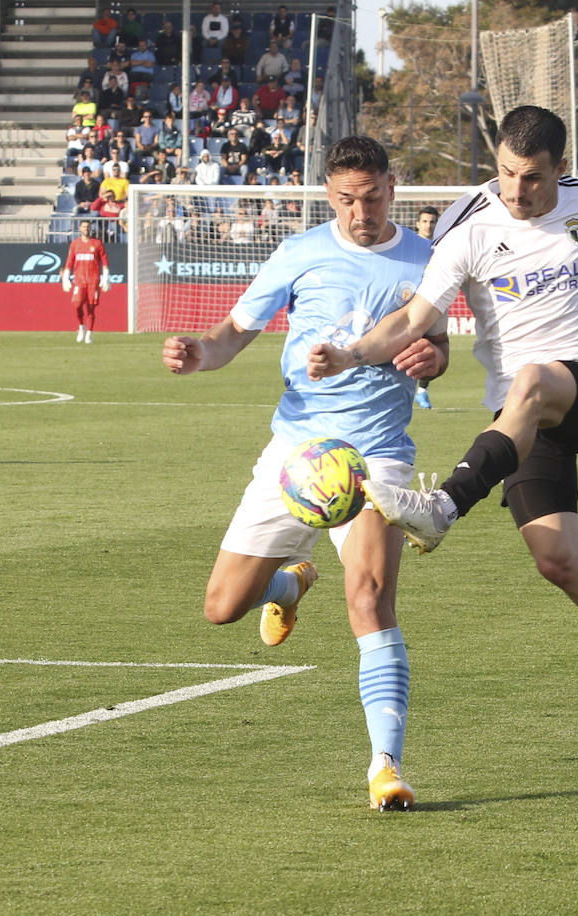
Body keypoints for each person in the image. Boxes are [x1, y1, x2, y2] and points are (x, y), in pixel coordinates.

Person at [306, 106, 578, 747]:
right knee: (557, 559)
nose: (516, 192)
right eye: (505, 174)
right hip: (521, 418)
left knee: (531, 379)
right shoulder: (468, 226)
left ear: (561, 171)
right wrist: (354, 353)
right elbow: (414, 319)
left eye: (532, 179)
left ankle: (440, 508)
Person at [160, 135, 449, 811]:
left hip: (375, 454)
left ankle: (386, 766)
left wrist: (431, 360)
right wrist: (200, 353)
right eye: (347, 200)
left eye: (372, 197)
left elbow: (434, 344)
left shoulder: (425, 259)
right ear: (329, 195)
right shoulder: (298, 253)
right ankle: (288, 582)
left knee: (370, 600)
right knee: (221, 609)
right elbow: (234, 331)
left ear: (392, 187)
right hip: (295, 455)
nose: (361, 212)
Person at [61, 218, 109, 343]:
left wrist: (106, 277)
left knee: (91, 307)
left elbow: (104, 261)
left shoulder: (97, 244)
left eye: (88, 227)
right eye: (84, 227)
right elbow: (69, 261)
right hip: (79, 280)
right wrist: (66, 278)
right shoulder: (75, 244)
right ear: (79, 229)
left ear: (90, 228)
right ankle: (81, 326)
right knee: (77, 305)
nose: (86, 229)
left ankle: (89, 333)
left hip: (93, 280)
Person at [412, 205, 440, 409]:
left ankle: (422, 391)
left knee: (430, 346)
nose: (428, 225)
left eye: (432, 222)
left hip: (434, 300)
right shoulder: (410, 245)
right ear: (417, 223)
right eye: (424, 221)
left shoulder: (442, 245)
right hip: (410, 301)